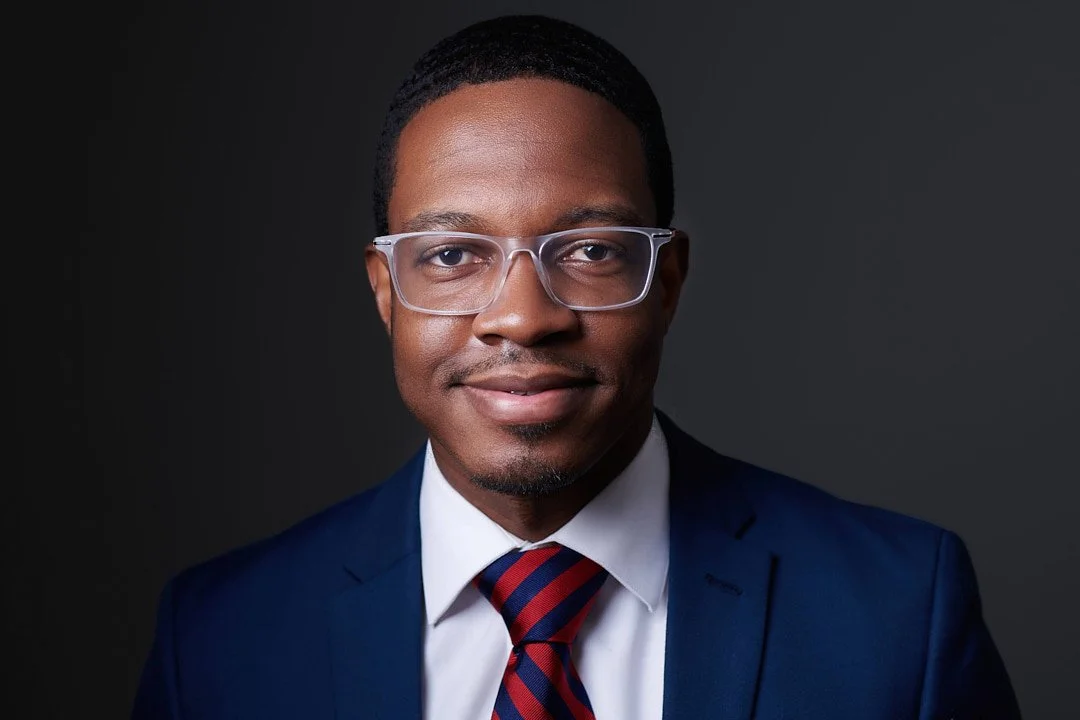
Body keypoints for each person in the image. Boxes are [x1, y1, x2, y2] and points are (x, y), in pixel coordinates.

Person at [133, 14, 1021, 720]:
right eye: (451, 256)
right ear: (384, 291)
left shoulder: (900, 614)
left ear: (665, 282)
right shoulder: (219, 640)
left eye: (591, 250)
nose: (522, 315)